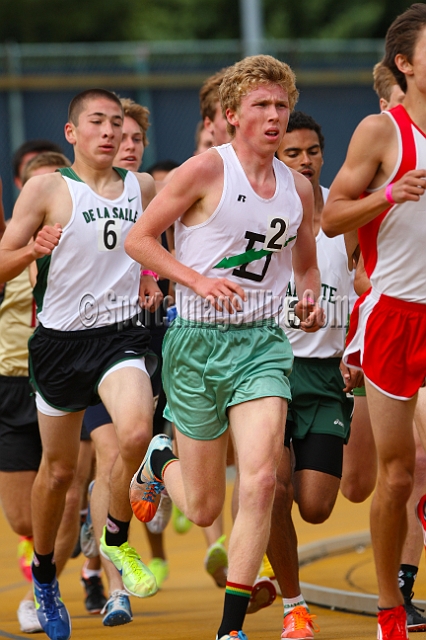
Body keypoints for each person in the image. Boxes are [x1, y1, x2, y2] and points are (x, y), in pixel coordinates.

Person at [125, 54, 324, 640]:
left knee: (263, 479)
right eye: (260, 105)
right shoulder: (203, 171)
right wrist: (194, 279)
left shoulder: (299, 190)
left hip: (263, 343)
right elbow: (140, 240)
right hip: (194, 342)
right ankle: (162, 460)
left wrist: (309, 297)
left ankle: (230, 628)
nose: (273, 116)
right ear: (232, 115)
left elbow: (305, 266)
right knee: (206, 507)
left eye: (280, 106)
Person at [0, 88, 162, 640]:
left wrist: (150, 276)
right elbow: (2, 264)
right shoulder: (48, 188)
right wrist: (30, 252)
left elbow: (170, 228)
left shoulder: (141, 187)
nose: (110, 132)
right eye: (97, 122)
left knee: (137, 429)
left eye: (118, 123)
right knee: (61, 472)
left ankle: (115, 535)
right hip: (60, 346)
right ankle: (45, 577)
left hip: (118, 337)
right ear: (72, 133)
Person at [322, 5, 426, 638]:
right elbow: (333, 217)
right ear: (405, 64)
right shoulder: (380, 132)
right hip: (393, 314)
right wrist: (389, 193)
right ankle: (390, 605)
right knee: (393, 473)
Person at [253, 111, 356, 638]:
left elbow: (369, 281)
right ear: (276, 156)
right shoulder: (264, 209)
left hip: (325, 377)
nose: (305, 160)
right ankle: (294, 604)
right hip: (271, 366)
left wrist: (355, 347)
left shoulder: (345, 212)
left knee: (315, 506)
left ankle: (270, 562)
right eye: (292, 153)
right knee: (271, 485)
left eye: (312, 150)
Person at [0, 151, 99, 633]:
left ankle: (43, 591)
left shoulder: (91, 235)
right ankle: (72, 527)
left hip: (66, 372)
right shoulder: (13, 243)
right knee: (22, 519)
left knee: (67, 482)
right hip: (12, 383)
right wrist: (31, 252)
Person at [81, 96, 169, 627]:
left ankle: (110, 533)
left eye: (136, 137)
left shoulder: (157, 190)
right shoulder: (76, 191)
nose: (127, 145)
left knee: (134, 457)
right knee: (108, 451)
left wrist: (155, 274)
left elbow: (184, 248)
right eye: (120, 134)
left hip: (151, 340)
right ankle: (115, 583)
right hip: (93, 344)